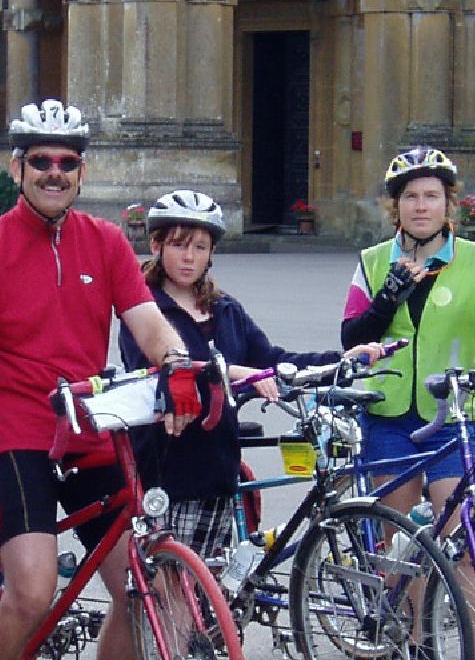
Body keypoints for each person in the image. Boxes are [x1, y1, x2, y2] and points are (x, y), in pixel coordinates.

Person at [0, 99, 196, 660]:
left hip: (87, 425)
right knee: (29, 591)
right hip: (15, 431)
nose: (55, 172)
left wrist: (175, 363)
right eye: (41, 161)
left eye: (68, 162)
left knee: (144, 585)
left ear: (82, 171)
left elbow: (146, 321)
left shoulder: (105, 241)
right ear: (17, 166)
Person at [340, 146, 475, 660]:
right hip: (390, 416)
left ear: (449, 206)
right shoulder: (372, 261)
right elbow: (351, 335)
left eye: (432, 197)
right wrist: (392, 290)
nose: (421, 206)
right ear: (395, 207)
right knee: (404, 547)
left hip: (453, 417)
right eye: (411, 197)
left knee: (465, 542)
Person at [116, 188, 380, 558]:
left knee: (213, 591)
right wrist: (235, 373)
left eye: (200, 247)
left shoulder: (224, 309)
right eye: (179, 245)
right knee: (171, 593)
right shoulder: (145, 310)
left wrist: (340, 360)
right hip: (168, 470)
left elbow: (273, 360)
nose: (189, 257)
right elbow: (156, 374)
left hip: (218, 467)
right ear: (157, 246)